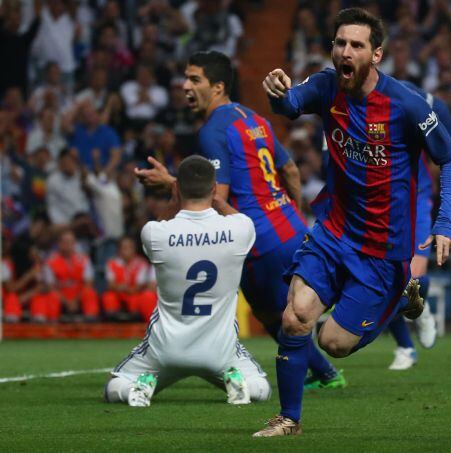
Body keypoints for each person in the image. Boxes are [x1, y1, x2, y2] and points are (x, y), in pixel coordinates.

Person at [257, 7, 451, 436]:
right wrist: (278, 92)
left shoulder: (405, 105)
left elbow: (450, 158)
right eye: (340, 43)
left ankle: (401, 294)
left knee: (333, 342)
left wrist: (445, 223)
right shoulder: (327, 85)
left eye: (356, 45)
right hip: (334, 231)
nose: (345, 52)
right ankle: (288, 419)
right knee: (295, 318)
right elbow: (291, 103)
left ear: (377, 54)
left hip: (383, 249)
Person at [135, 51, 343, 390]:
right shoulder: (254, 118)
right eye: (186, 78)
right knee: (294, 310)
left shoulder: (212, 131)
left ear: (217, 87)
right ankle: (325, 368)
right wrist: (289, 210)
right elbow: (289, 169)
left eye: (195, 79)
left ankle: (326, 373)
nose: (185, 86)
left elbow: (215, 195)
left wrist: (168, 183)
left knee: (273, 317)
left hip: (258, 238)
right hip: (291, 226)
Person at [104, 156, 271, 407]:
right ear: (214, 189)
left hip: (164, 350)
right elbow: (234, 215)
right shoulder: (241, 229)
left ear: (178, 189)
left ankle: (136, 391)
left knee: (114, 386)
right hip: (219, 351)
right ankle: (241, 385)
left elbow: (162, 222)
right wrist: (212, 197)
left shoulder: (155, 233)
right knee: (262, 388)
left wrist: (174, 193)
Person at [385, 80, 451, 371]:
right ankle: (405, 345)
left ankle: (421, 304)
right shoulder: (342, 100)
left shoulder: (403, 94)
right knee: (388, 279)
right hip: (372, 204)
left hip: (413, 198)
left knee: (411, 277)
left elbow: (439, 106)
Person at [43, 230, 100, 321]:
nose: (68, 245)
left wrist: (75, 301)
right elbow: (50, 287)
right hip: (61, 295)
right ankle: (52, 326)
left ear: (75, 244)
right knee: (51, 295)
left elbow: (88, 283)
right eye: (65, 242)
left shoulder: (84, 259)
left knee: (90, 292)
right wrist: (67, 302)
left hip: (79, 294)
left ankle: (91, 322)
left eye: (71, 242)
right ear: (59, 244)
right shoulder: (50, 261)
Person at [101, 237, 156, 321]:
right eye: (124, 248)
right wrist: (119, 288)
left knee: (138, 298)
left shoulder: (142, 263)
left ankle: (135, 319)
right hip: (118, 292)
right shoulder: (112, 263)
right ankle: (112, 320)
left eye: (130, 247)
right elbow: (110, 284)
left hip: (134, 293)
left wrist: (128, 289)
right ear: (119, 250)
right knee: (109, 296)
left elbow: (140, 286)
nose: (127, 251)